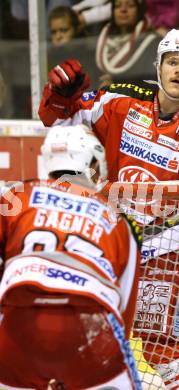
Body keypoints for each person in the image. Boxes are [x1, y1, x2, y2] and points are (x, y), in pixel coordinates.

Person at [38, 29, 179, 389]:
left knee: (161, 349)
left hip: (169, 247)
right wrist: (58, 94)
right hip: (115, 242)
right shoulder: (119, 99)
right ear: (158, 66)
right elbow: (56, 119)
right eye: (172, 62)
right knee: (85, 333)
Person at [0, 124, 142, 390]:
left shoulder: (18, 196)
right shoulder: (117, 218)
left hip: (18, 324)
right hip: (90, 325)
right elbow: (124, 307)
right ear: (91, 163)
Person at [95, 0, 158, 88]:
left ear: (139, 11)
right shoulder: (97, 40)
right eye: (117, 6)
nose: (123, 10)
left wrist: (117, 82)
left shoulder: (152, 42)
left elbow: (151, 80)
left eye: (130, 5)